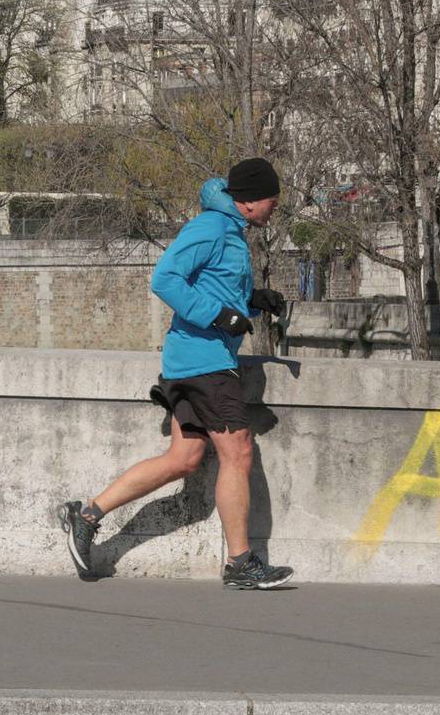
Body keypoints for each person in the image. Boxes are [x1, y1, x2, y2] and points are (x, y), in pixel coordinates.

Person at [56, 157, 295, 589]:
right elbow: (165, 279)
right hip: (204, 362)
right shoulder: (210, 228)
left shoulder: (229, 230)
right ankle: (241, 563)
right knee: (238, 451)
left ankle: (87, 515)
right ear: (249, 201)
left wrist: (255, 300)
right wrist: (220, 317)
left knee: (183, 460)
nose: (275, 208)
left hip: (194, 360)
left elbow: (214, 285)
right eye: (272, 201)